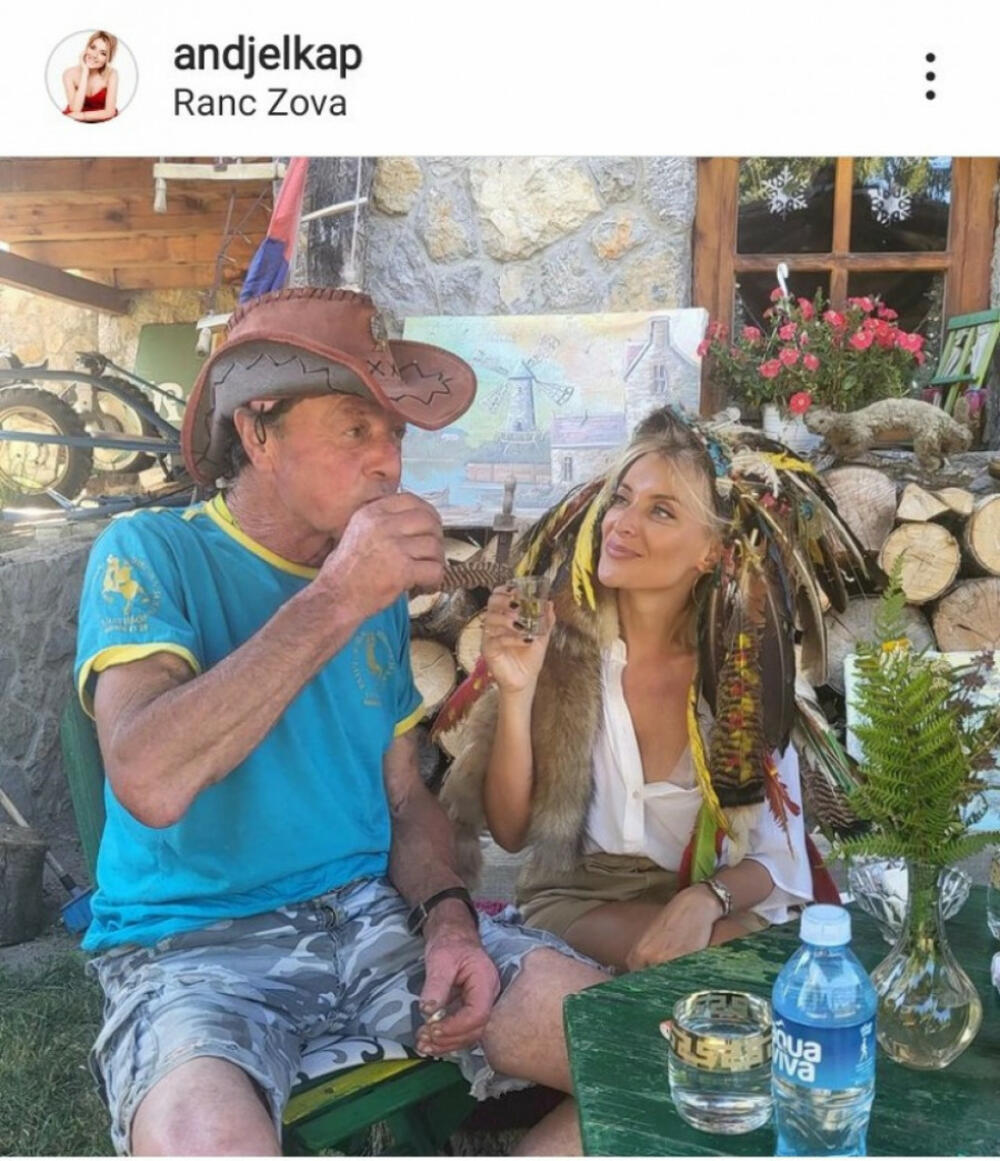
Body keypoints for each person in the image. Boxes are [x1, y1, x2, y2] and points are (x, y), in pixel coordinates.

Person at [74, 287, 607, 1156]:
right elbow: (148, 778)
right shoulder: (151, 553)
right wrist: (337, 596)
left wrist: (449, 919)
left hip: (374, 921)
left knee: (648, 1063)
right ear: (258, 433)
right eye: (357, 428)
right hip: (193, 950)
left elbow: (402, 798)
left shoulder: (370, 593)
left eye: (395, 434)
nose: (388, 462)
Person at [439, 407, 851, 974]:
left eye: (661, 510)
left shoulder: (742, 672)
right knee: (727, 968)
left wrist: (705, 899)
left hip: (713, 901)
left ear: (712, 551)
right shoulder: (561, 648)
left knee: (757, 961)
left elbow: (777, 858)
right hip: (578, 898)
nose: (622, 524)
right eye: (622, 499)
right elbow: (510, 835)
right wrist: (516, 692)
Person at [63, 30, 118, 121]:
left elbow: (110, 112)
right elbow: (75, 110)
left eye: (103, 53)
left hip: (102, 121)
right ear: (86, 48)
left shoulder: (112, 74)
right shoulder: (69, 74)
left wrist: (83, 116)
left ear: (108, 58)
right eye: (93, 48)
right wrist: (85, 72)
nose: (95, 55)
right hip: (74, 120)